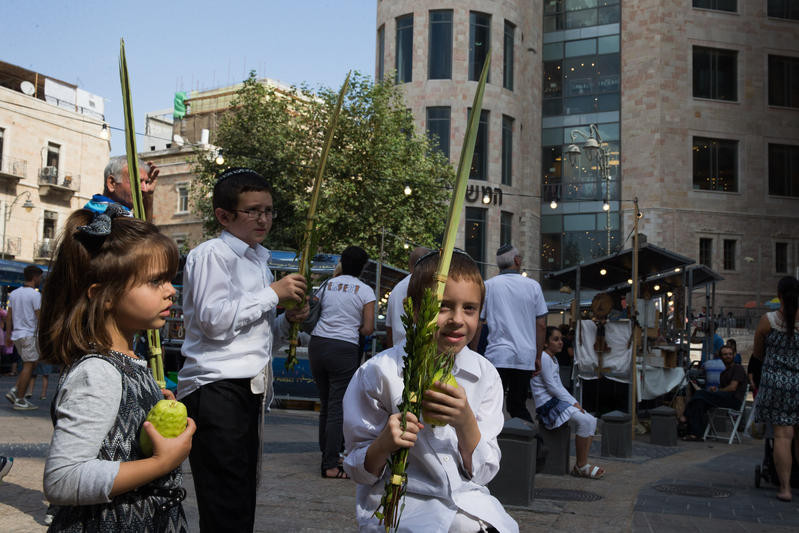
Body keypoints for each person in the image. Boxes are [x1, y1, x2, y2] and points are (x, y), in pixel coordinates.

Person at [38, 207, 195, 530]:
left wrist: (145, 406)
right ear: (103, 296)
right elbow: (63, 479)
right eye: (156, 281)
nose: (171, 290)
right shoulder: (97, 373)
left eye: (169, 279)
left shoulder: (127, 362)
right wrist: (161, 463)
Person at [343, 250, 518, 532]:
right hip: (404, 510)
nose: (457, 319)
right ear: (413, 309)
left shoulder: (485, 376)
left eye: (469, 308)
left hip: (469, 507)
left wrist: (465, 422)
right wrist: (384, 444)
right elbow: (356, 469)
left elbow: (483, 473)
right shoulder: (379, 373)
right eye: (443, 306)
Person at [177, 167, 308, 532]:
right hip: (217, 388)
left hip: (247, 389)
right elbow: (213, 322)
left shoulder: (259, 260)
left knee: (242, 494)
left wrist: (286, 320)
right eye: (253, 210)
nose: (263, 218)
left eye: (268, 210)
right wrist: (273, 295)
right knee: (224, 499)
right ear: (224, 215)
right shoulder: (211, 255)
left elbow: (256, 336)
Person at [309, 245, 375, 479]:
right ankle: (330, 464)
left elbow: (312, 308)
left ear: (342, 262)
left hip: (317, 344)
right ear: (363, 267)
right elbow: (368, 328)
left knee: (326, 404)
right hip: (344, 348)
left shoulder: (328, 284)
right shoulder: (366, 291)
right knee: (338, 406)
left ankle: (327, 452)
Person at [479, 244, 548, 422]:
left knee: (488, 406)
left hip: (496, 355)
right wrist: (538, 355)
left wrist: (473, 352)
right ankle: (533, 445)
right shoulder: (533, 286)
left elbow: (479, 323)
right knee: (517, 405)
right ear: (517, 261)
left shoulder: (488, 286)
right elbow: (541, 324)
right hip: (524, 356)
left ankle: (488, 445)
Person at [532, 326, 604, 479]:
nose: (560, 343)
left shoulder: (553, 359)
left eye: (561, 339)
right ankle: (581, 465)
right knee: (585, 421)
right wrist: (573, 403)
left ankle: (582, 463)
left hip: (556, 401)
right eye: (555, 339)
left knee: (591, 420)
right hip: (547, 404)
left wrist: (574, 402)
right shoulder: (544, 358)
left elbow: (557, 386)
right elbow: (552, 387)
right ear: (545, 343)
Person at [752, 276, 799, 502]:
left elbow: (758, 353)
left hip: (777, 385)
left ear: (779, 294)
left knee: (782, 435)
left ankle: (785, 488)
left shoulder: (768, 320)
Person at [679, 344, 746, 441]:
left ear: (734, 355)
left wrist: (718, 391)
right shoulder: (723, 372)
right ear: (721, 357)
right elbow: (722, 389)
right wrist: (715, 390)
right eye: (725, 354)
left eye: (730, 354)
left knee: (700, 394)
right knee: (699, 402)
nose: (728, 356)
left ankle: (684, 416)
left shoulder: (738, 368)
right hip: (723, 398)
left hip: (734, 400)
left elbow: (732, 387)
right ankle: (696, 434)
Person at [4, 265, 43, 410]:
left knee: (32, 363)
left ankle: (15, 390)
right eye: (40, 277)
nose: (40, 280)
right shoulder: (35, 295)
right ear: (34, 277)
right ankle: (20, 399)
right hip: (29, 334)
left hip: (17, 335)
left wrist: (8, 335)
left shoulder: (14, 294)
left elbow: (9, 316)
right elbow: (39, 316)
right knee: (29, 366)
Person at [385, 246, 429, 348]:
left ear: (409, 265)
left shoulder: (396, 289)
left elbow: (389, 328)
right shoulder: (430, 284)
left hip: (398, 352)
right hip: (422, 353)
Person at [100, 155, 159, 222]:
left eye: (146, 182)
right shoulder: (97, 219)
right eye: (137, 182)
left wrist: (149, 196)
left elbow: (144, 230)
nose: (145, 189)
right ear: (112, 183)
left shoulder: (122, 216)